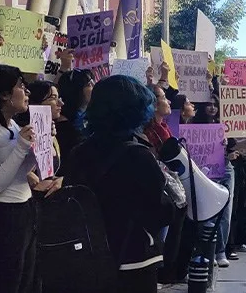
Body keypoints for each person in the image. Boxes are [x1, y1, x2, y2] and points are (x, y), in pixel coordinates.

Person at [66, 75, 174, 292]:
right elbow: (160, 212)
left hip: (89, 253)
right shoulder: (139, 156)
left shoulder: (78, 153)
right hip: (132, 256)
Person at [0, 65, 38, 293]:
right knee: (7, 281)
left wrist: (38, 151)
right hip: (3, 216)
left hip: (24, 209)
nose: (26, 92)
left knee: (26, 280)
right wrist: (21, 147)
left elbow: (20, 171)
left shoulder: (13, 125)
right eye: (21, 85)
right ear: (4, 95)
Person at [57, 68, 94, 138]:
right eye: (89, 84)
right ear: (75, 90)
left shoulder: (91, 114)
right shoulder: (63, 124)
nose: (94, 86)